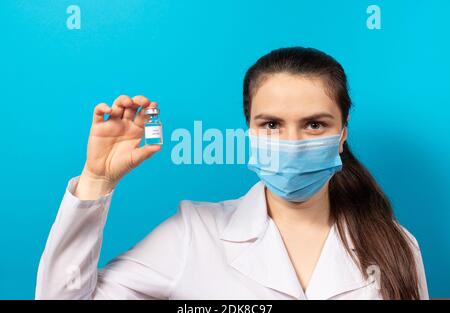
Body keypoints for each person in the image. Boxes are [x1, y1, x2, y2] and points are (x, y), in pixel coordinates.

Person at [35, 47, 428, 300]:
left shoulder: (395, 246)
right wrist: (97, 180)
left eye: (314, 125)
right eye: (271, 125)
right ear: (250, 134)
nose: (290, 142)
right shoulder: (195, 232)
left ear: (342, 135)